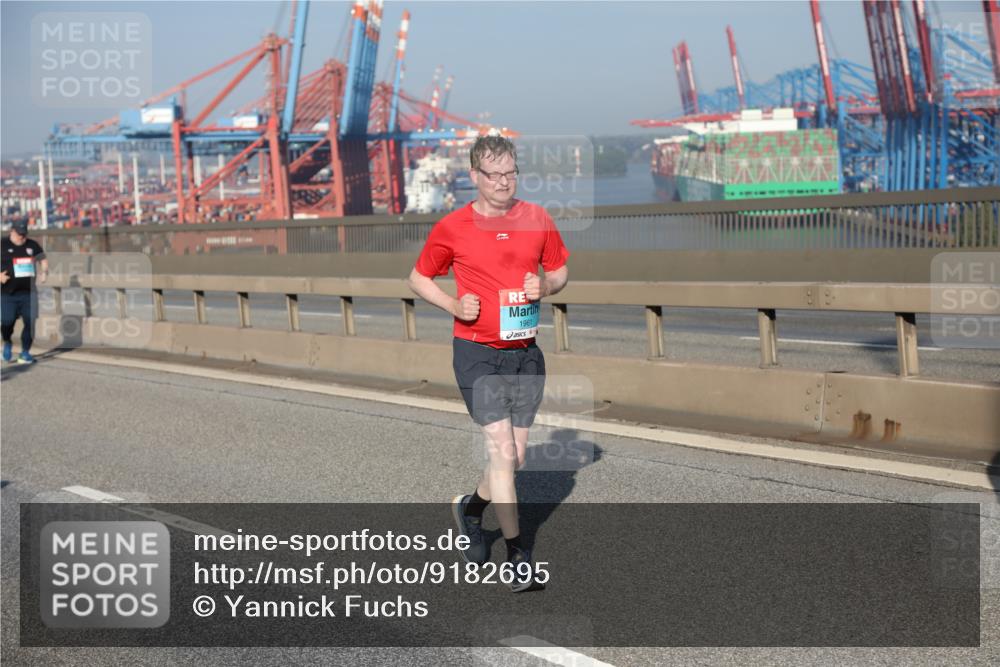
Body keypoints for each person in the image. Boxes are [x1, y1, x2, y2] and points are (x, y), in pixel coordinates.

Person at [407, 135, 569, 593]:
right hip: (477, 353)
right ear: (475, 177)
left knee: (513, 459)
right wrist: (453, 305)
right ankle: (519, 556)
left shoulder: (536, 217)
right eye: (494, 174)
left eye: (511, 173)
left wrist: (547, 286)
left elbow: (558, 269)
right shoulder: (453, 227)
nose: (503, 182)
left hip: (525, 354)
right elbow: (419, 277)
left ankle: (470, 511)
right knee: (501, 452)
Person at [1, 221, 48, 363]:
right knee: (7, 321)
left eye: (24, 234)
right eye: (20, 234)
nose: (22, 237)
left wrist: (44, 272)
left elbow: (43, 259)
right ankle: (7, 342)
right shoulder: (2, 244)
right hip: (7, 293)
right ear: (12, 231)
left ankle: (25, 353)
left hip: (28, 293)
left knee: (30, 322)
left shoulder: (32, 245)